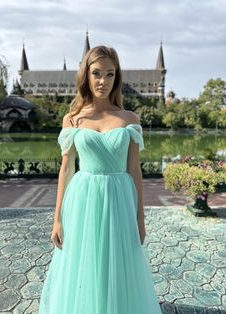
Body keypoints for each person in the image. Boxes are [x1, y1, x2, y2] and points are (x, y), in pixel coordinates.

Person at [38, 45, 162, 314]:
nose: (102, 81)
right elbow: (66, 170)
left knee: (117, 260)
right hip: (83, 200)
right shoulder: (72, 120)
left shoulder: (129, 119)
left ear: (116, 78)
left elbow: (135, 171)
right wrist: (57, 219)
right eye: (96, 73)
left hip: (119, 198)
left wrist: (140, 219)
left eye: (109, 74)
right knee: (85, 260)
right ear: (86, 75)